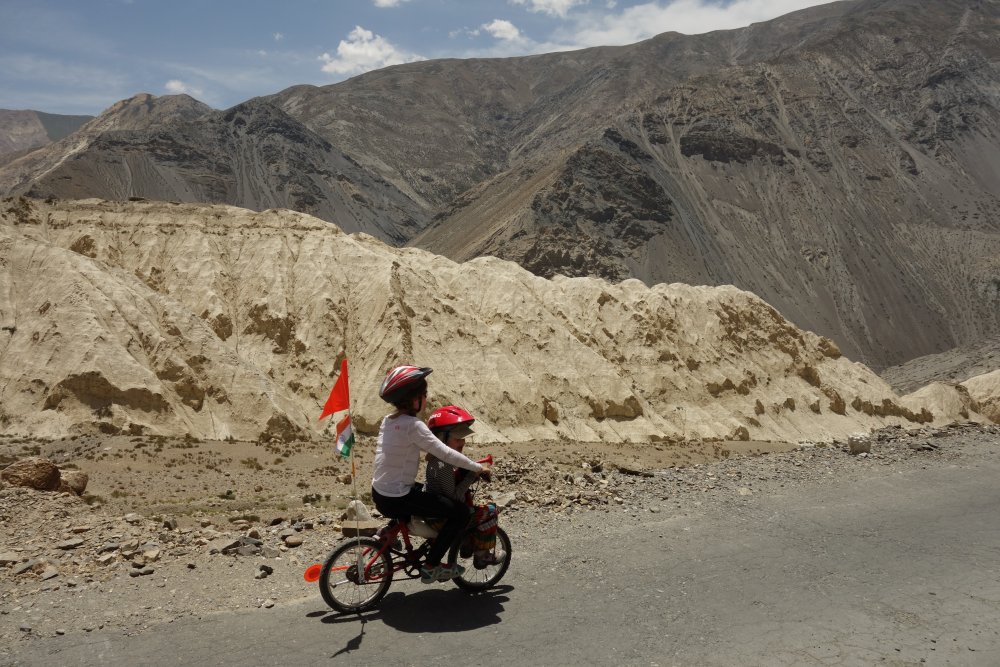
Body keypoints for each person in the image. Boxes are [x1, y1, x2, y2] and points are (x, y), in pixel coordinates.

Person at [370, 365, 491, 584]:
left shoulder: (388, 420)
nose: (426, 399)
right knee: (460, 513)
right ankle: (432, 565)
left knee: (422, 492)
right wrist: (477, 468)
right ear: (414, 398)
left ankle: (388, 532)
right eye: (424, 395)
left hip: (380, 492)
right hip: (397, 498)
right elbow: (445, 453)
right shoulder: (413, 425)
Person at [425, 405, 505, 569]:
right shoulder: (443, 464)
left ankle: (467, 546)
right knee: (490, 511)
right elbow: (455, 497)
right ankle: (482, 556)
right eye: (458, 438)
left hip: (435, 511)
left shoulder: (436, 459)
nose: (462, 442)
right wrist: (471, 476)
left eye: (463, 438)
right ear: (442, 439)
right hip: (442, 517)